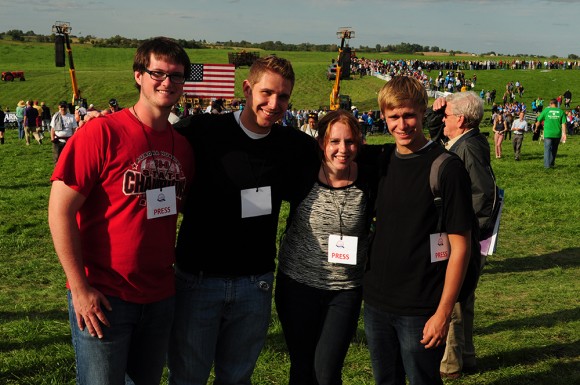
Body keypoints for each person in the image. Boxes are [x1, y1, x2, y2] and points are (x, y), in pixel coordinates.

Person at [48, 36, 194, 385]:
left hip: (160, 296)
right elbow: (60, 212)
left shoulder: (184, 148)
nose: (167, 82)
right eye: (158, 73)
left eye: (176, 76)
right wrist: (80, 289)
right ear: (138, 75)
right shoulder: (101, 133)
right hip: (104, 296)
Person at [168, 55, 320, 385]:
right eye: (266, 93)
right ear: (247, 89)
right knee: (188, 376)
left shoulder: (296, 147)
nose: (274, 103)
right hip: (198, 279)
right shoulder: (201, 131)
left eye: (283, 97)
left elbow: (343, 156)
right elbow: (148, 141)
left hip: (255, 283)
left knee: (237, 378)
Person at [363, 76, 477, 385]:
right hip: (376, 302)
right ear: (383, 117)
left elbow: (461, 248)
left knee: (423, 379)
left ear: (422, 111)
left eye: (409, 115)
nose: (401, 124)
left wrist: (442, 314)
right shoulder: (382, 160)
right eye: (393, 117)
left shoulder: (446, 168)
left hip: (420, 307)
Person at [275, 109, 374, 384]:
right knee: (302, 369)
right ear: (321, 143)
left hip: (344, 292)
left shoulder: (370, 179)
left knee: (327, 373)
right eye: (335, 142)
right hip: (297, 286)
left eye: (350, 141)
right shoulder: (303, 175)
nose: (343, 149)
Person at [432, 91, 499, 379]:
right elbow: (435, 142)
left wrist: (466, 234)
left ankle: (450, 364)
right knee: (464, 300)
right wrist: (435, 115)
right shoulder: (465, 142)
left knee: (454, 301)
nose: (443, 120)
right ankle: (466, 356)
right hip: (469, 237)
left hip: (464, 238)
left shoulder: (467, 149)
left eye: (446, 116)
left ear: (459, 119)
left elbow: (483, 194)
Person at [535, 98, 567, 168]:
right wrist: (564, 133)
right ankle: (551, 163)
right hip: (557, 134)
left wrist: (536, 128)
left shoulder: (546, 110)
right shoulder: (561, 112)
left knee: (547, 149)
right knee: (554, 150)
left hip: (548, 134)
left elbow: (538, 121)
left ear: (551, 104)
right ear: (556, 104)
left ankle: (547, 166)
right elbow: (563, 124)